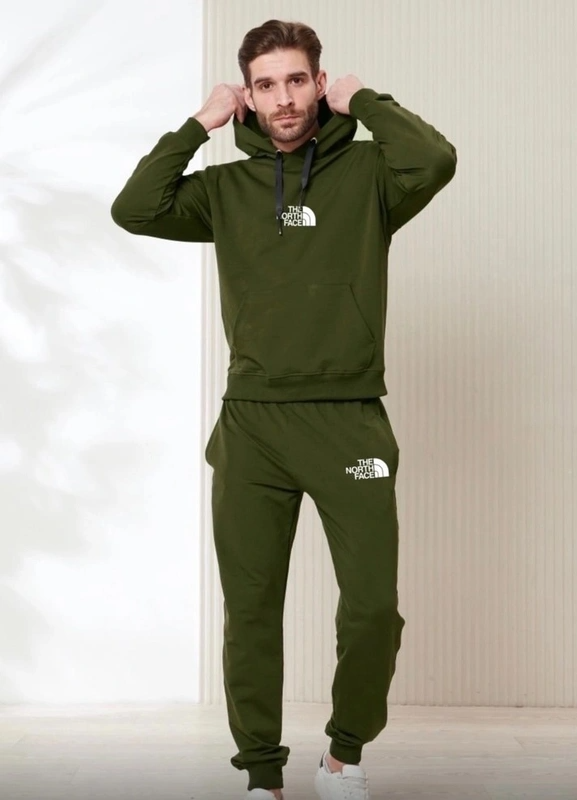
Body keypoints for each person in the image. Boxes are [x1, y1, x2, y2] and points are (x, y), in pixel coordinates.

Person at [110, 18, 457, 800]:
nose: (284, 99)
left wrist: (365, 101)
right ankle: (261, 776)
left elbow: (434, 159)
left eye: (297, 80)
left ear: (318, 83)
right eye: (265, 85)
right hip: (252, 428)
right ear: (248, 96)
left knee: (371, 609)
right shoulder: (224, 191)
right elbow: (134, 208)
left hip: (348, 420)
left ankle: (342, 757)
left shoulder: (369, 175)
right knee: (251, 612)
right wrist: (198, 124)